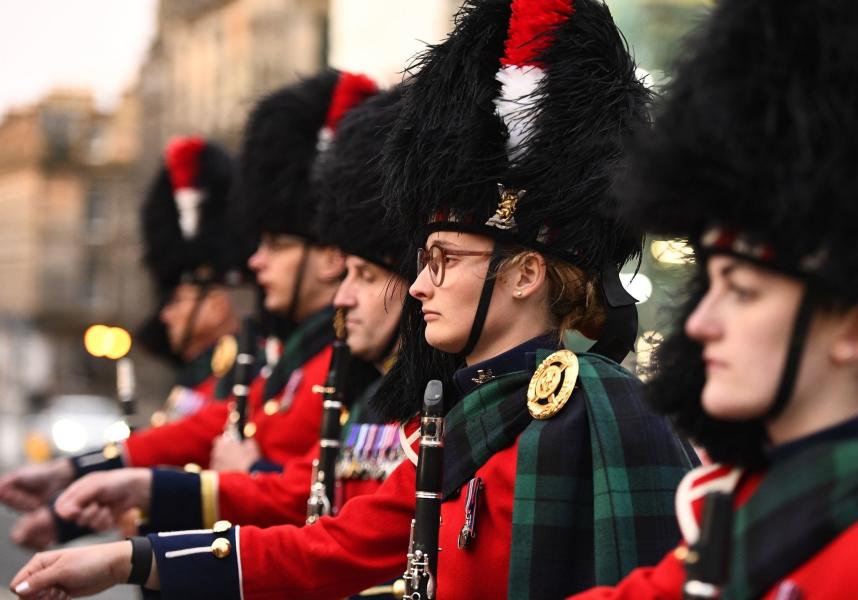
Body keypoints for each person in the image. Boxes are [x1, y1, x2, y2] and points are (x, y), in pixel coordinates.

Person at [7, 1, 694, 598]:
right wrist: (133, 558)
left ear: (525, 275)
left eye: (444, 260)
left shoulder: (602, 409)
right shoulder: (466, 415)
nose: (418, 285)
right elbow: (329, 548)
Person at [572, 0, 858, 597]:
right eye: (712, 286)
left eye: (743, 292)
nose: (698, 323)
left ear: (857, 329)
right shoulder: (740, 500)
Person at [49, 89, 410, 535]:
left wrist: (248, 474)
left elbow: (325, 513)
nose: (256, 261)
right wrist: (92, 479)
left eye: (276, 245)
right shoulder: (300, 362)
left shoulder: (337, 364)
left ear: (327, 258)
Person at [3, 136, 249, 550]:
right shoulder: (198, 378)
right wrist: (67, 518)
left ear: (217, 305)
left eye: (178, 300)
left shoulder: (239, 373)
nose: (165, 314)